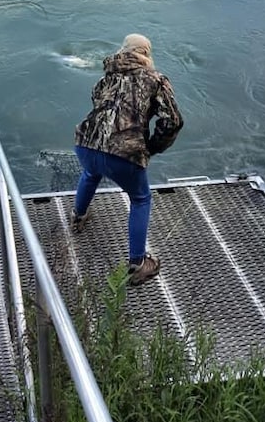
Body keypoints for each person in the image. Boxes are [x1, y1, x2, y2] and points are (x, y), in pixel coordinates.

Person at [72, 33, 183, 286]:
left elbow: (99, 107)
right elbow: (172, 121)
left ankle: (78, 217)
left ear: (123, 51)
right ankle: (138, 264)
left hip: (85, 144)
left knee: (91, 173)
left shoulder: (105, 78)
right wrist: (152, 148)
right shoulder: (156, 80)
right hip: (124, 154)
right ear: (146, 54)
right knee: (141, 199)